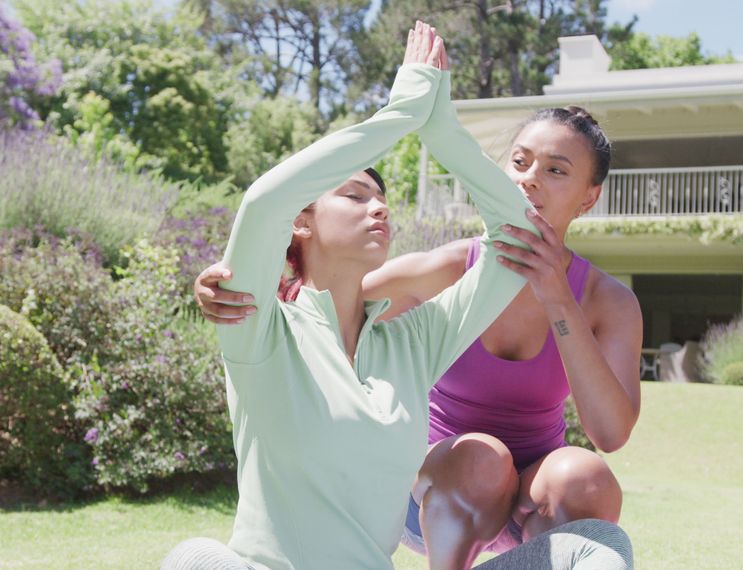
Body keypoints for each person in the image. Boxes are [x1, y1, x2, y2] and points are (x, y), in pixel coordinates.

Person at [166, 22, 633, 570]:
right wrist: (401, 115)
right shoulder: (261, 328)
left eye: (382, 198)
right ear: (301, 222)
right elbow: (264, 202)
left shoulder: (411, 342)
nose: (380, 207)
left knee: (600, 552)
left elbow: (516, 232)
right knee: (194, 558)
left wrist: (441, 129)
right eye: (355, 193)